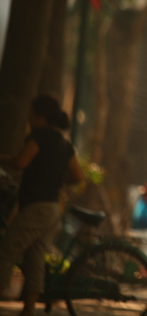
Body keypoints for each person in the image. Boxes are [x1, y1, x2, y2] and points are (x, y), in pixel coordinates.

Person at [0, 95, 85, 316]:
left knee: (6, 251)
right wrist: (57, 179)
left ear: (39, 116)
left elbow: (21, 162)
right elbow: (78, 176)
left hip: (36, 207)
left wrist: (5, 158)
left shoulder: (38, 136)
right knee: (35, 259)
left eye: (31, 113)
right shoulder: (63, 143)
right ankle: (28, 310)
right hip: (52, 210)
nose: (28, 117)